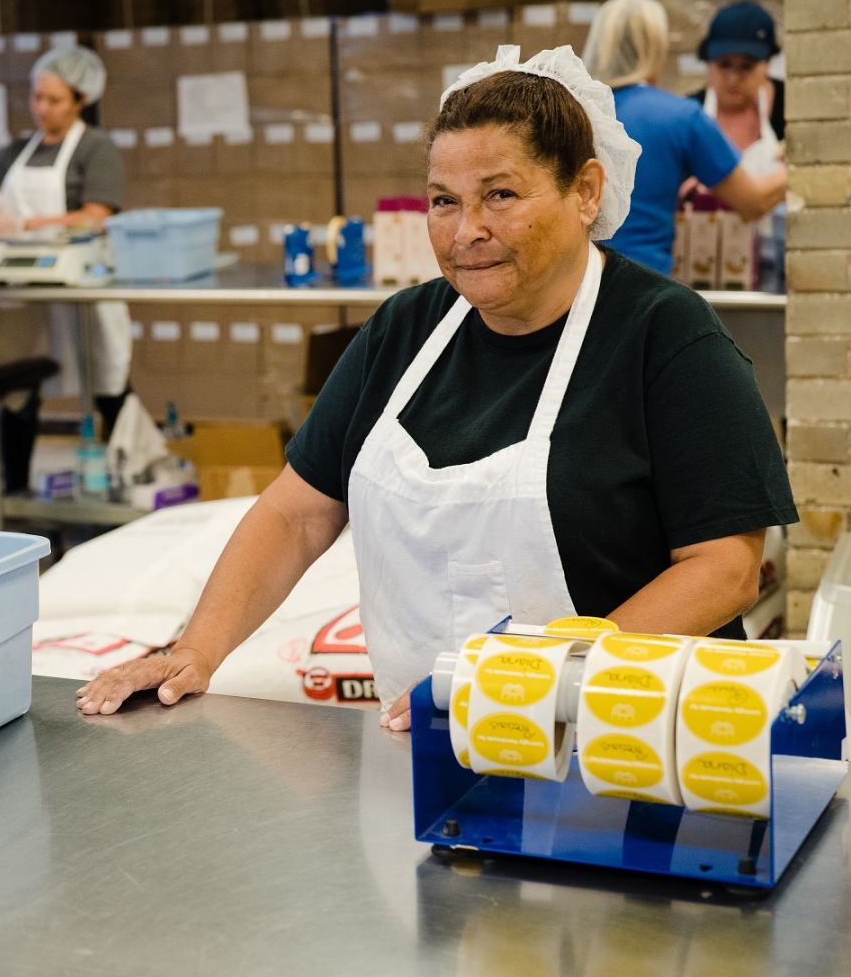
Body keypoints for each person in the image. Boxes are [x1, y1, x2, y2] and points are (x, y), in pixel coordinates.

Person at [74, 45, 795, 728]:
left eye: (500, 195)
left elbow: (724, 569)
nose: (466, 230)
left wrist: (538, 680)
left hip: (628, 743)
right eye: (444, 201)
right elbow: (296, 515)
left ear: (585, 191)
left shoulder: (668, 340)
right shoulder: (404, 331)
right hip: (424, 742)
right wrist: (195, 650)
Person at [0, 45, 131, 436]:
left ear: (81, 99)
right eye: (37, 97)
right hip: (25, 287)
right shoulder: (15, 152)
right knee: (20, 387)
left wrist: (25, 224)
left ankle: (130, 461)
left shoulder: (96, 148)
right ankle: (12, 474)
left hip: (82, 285)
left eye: (54, 100)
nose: (42, 108)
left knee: (107, 380)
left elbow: (96, 216)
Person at [582, 0, 785, 276]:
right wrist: (808, 162)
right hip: (640, 284)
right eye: (723, 65)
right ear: (657, 48)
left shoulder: (570, 111)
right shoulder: (680, 117)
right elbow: (753, 202)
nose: (733, 77)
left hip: (571, 284)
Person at [688, 0, 784, 165]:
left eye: (746, 66)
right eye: (724, 65)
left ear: (767, 63)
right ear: (708, 62)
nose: (733, 78)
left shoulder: (789, 108)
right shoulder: (689, 113)